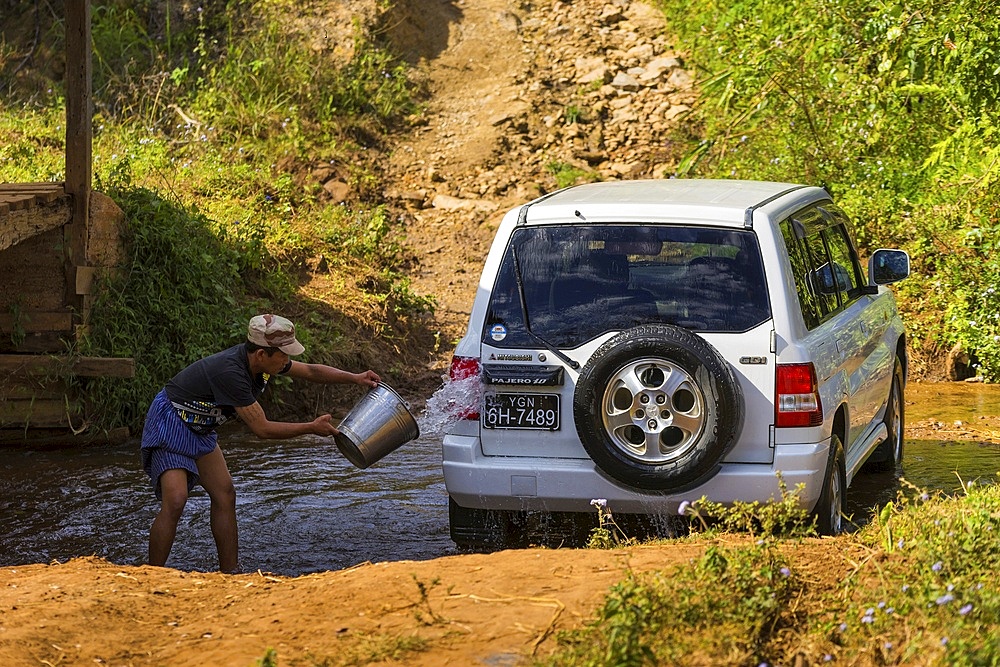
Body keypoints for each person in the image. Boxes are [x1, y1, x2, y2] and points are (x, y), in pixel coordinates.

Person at [139, 313, 380, 572]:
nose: (288, 361)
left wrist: (355, 377)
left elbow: (310, 370)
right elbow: (262, 429)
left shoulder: (265, 362)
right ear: (261, 355)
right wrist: (311, 428)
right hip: (172, 419)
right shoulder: (232, 373)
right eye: (284, 355)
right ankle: (152, 574)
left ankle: (230, 572)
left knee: (225, 494)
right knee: (176, 500)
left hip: (201, 426)